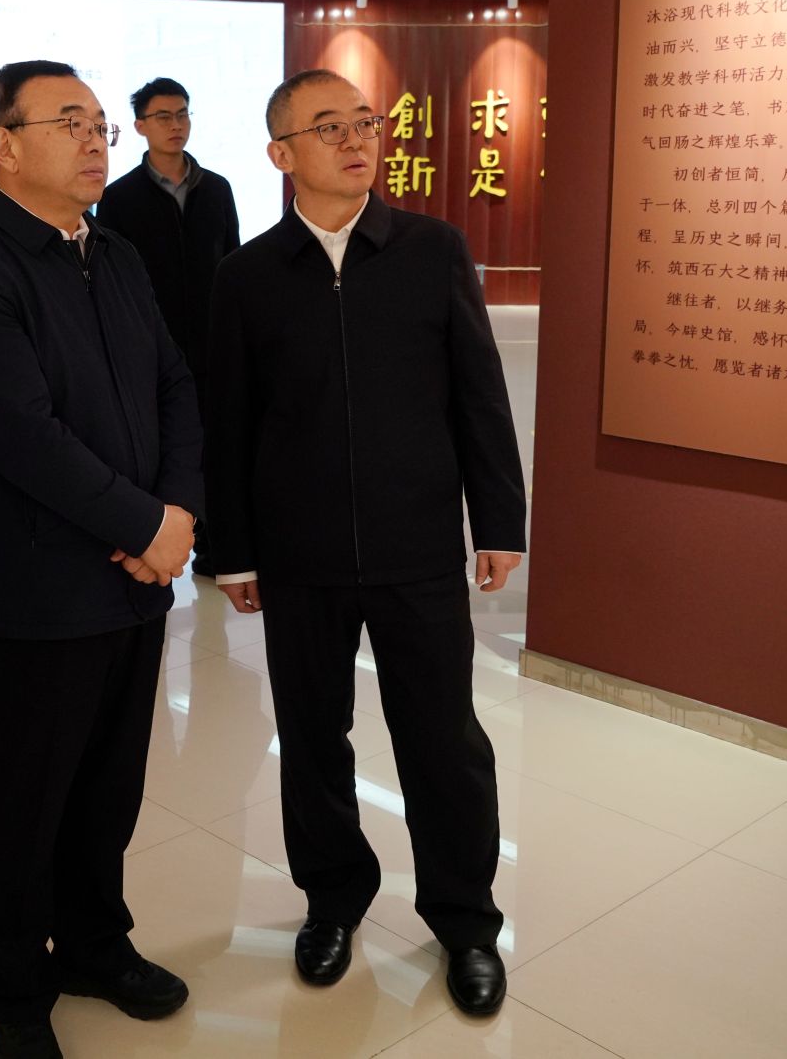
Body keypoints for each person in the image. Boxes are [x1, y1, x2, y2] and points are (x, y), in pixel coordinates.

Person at [205, 70, 528, 1018]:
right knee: (312, 740)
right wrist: (235, 550)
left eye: (364, 123)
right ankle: (333, 900)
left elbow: (479, 395)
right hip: (299, 556)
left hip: (416, 545)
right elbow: (230, 423)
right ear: (281, 154)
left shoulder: (432, 250)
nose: (356, 140)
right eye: (328, 127)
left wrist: (498, 522)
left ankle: (465, 920)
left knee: (444, 742)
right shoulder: (247, 276)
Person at [0, 59, 202, 1059]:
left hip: (132, 583)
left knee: (107, 787)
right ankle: (8, 985)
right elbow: (22, 435)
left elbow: (174, 384)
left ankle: (92, 944)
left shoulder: (113, 252)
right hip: (35, 589)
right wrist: (144, 525)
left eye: (98, 124)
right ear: (3, 144)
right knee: (21, 804)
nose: (93, 140)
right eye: (68, 122)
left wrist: (177, 513)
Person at [94, 77, 240, 574]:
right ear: (140, 126)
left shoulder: (216, 189)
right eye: (163, 116)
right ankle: (161, 539)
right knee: (165, 447)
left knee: (218, 446)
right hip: (153, 348)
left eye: (182, 114)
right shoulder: (119, 197)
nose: (176, 125)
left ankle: (215, 548)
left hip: (214, 345)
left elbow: (233, 263)